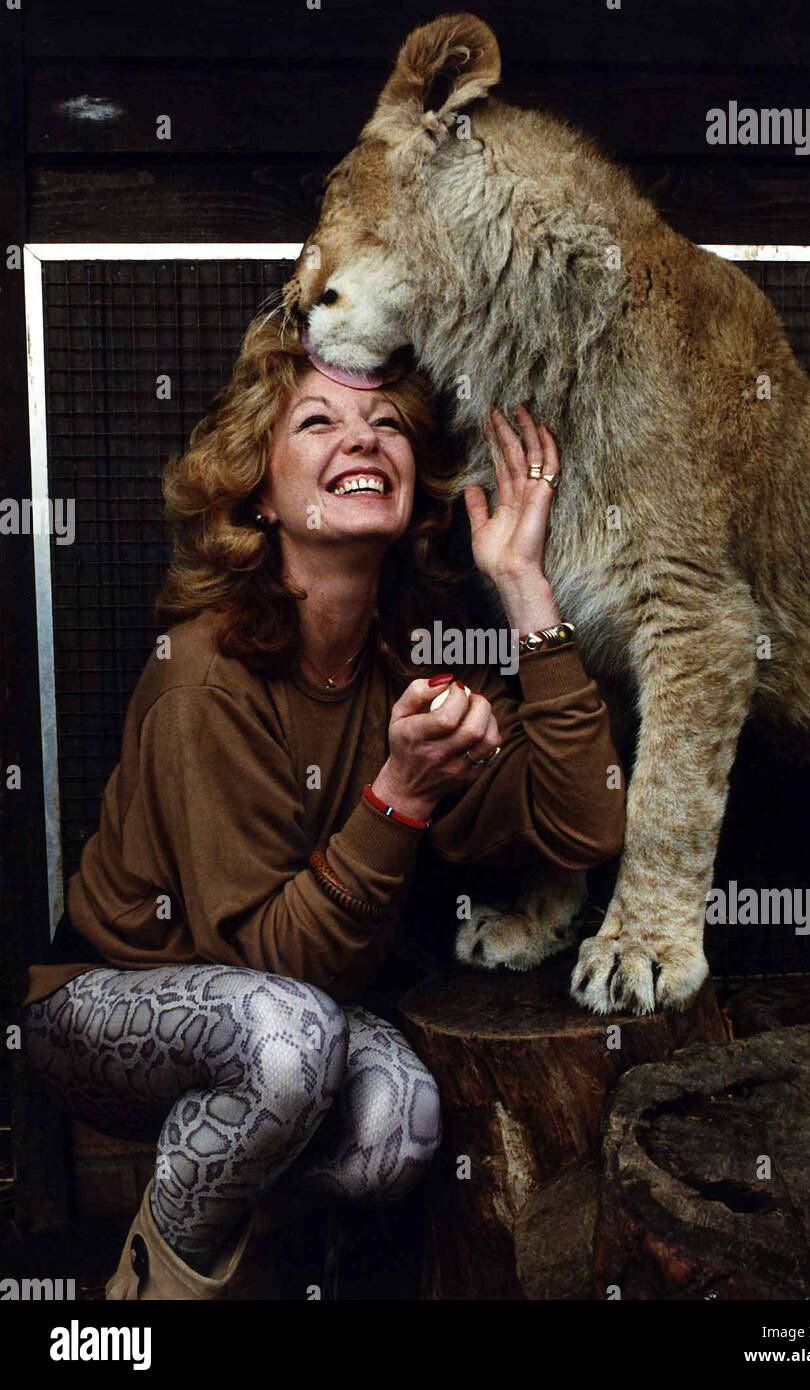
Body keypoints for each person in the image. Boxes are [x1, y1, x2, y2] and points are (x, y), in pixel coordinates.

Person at [21, 305, 626, 1300]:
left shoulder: (413, 658)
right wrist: (399, 798)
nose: (361, 438)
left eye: (387, 423)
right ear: (256, 490)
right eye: (317, 422)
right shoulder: (204, 672)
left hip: (297, 1009)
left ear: (417, 480)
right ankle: (137, 1308)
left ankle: (270, 1271)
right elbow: (269, 964)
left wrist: (523, 588)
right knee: (291, 1042)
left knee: (401, 1125)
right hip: (107, 997)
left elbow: (581, 819)